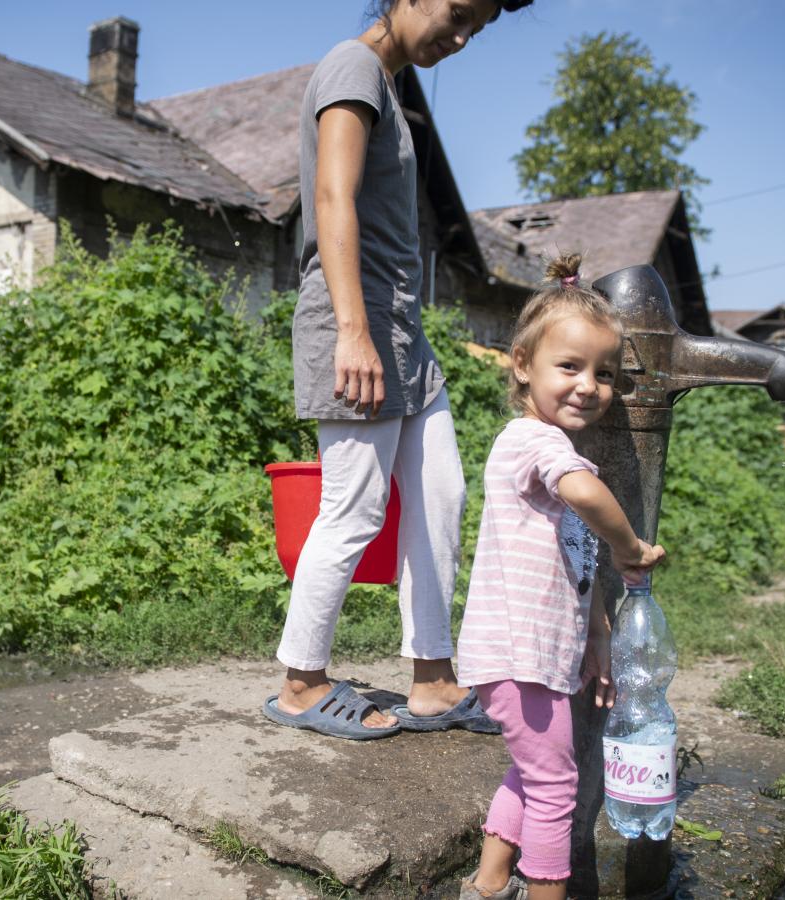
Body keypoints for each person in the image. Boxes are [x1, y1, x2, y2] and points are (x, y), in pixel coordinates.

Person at [262, 0, 533, 740]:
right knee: (353, 508)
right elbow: (330, 197)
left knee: (441, 494)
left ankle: (433, 679)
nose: (461, 36)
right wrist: (354, 331)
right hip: (359, 325)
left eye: (476, 27)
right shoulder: (351, 67)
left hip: (406, 338)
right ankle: (300, 682)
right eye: (458, 13)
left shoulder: (388, 84)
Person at [456, 256, 667, 900]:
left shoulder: (550, 447)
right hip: (519, 654)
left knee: (533, 772)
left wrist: (598, 635)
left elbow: (577, 566)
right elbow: (585, 496)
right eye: (569, 367)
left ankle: (489, 885)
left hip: (535, 654)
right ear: (523, 365)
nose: (589, 386)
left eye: (605, 373)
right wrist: (631, 545)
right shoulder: (532, 442)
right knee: (557, 786)